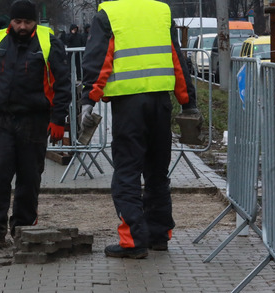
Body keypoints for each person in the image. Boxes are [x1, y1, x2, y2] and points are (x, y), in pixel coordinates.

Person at [79, 0, 200, 259]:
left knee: (127, 172)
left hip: (129, 105)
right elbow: (176, 59)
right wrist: (188, 102)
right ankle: (158, 235)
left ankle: (133, 240)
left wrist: (88, 99)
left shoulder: (109, 13)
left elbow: (99, 58)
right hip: (160, 103)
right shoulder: (161, 10)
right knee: (157, 171)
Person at [0, 0, 71, 248]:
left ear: (35, 22)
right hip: (2, 118)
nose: (22, 26)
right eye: (18, 22)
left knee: (29, 176)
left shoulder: (49, 43)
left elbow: (61, 84)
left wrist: (58, 119)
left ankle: (23, 228)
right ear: (10, 21)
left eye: (27, 22)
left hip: (35, 120)